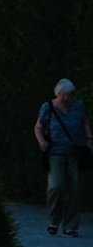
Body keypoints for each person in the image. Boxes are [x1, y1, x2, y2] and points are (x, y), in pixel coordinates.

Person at [36, 78, 90, 237]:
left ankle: (71, 226)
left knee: (74, 189)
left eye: (69, 95)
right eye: (63, 96)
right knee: (56, 187)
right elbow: (38, 126)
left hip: (75, 152)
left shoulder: (78, 106)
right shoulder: (47, 107)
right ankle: (54, 220)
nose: (66, 99)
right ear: (57, 94)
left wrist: (89, 141)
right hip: (55, 152)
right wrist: (42, 142)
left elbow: (84, 124)